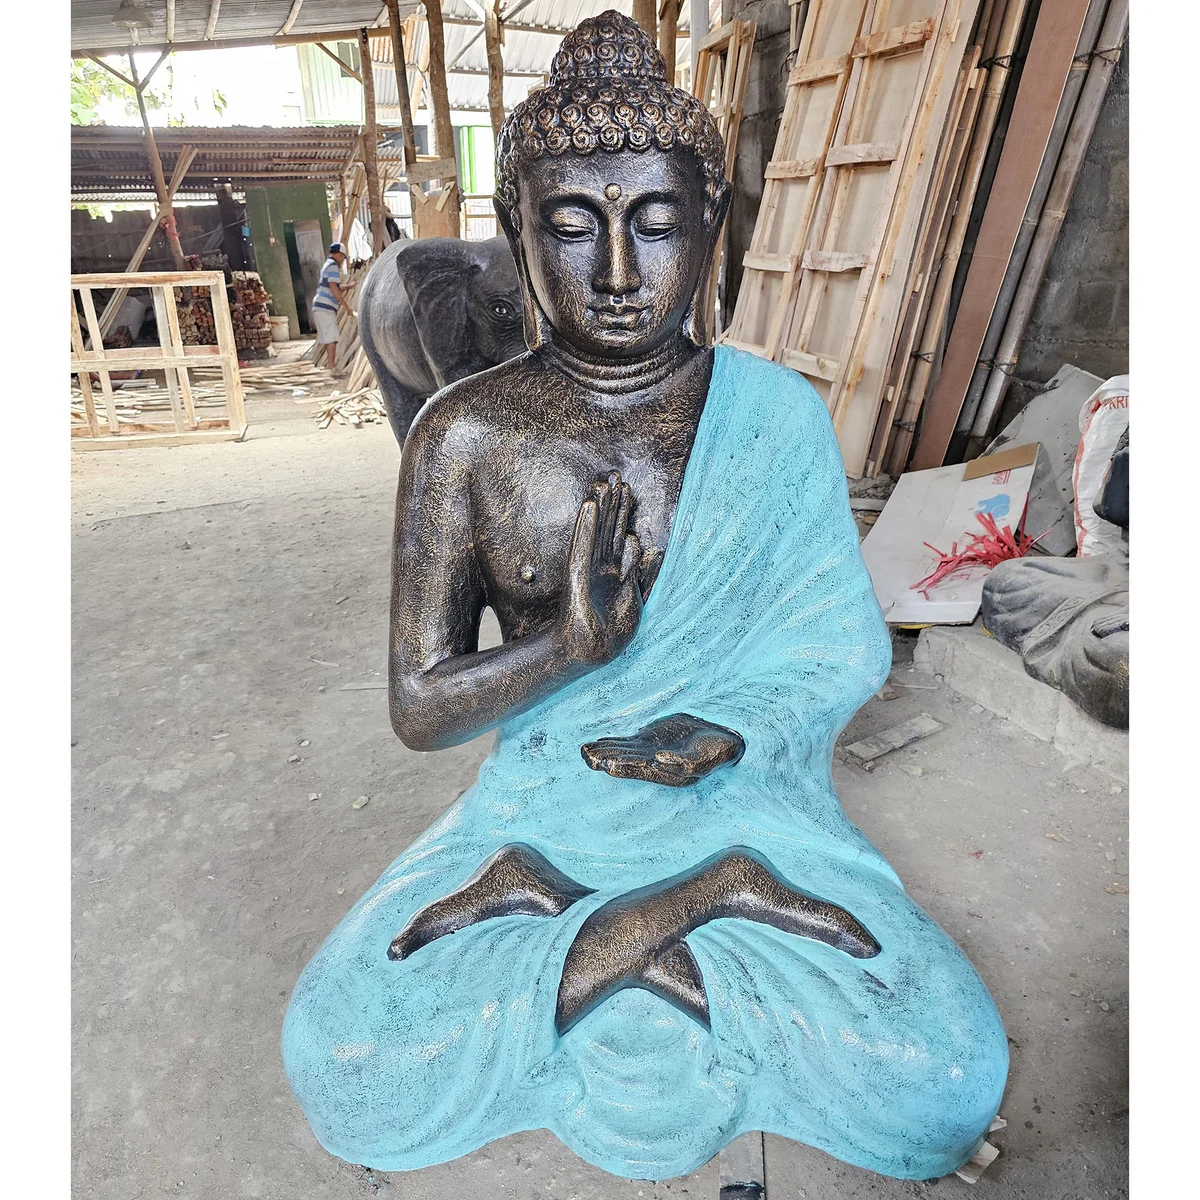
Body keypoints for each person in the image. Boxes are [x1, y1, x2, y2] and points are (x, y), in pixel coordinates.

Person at [283, 13, 1008, 1184]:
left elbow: (839, 649)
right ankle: (684, 918)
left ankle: (610, 923)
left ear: (714, 229)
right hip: (535, 808)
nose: (619, 274)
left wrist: (729, 728)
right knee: (341, 1046)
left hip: (737, 802)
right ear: (518, 237)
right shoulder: (464, 436)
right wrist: (569, 649)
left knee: (947, 1066)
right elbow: (422, 706)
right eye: (572, 227)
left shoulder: (774, 420)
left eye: (659, 223)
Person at [312, 242, 351, 371]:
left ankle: (330, 366)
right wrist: (346, 306)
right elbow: (333, 287)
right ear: (339, 255)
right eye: (343, 257)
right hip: (325, 306)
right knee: (332, 337)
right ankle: (331, 367)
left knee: (329, 337)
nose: (343, 261)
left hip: (320, 305)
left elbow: (334, 286)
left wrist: (349, 287)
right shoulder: (333, 266)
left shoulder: (327, 265)